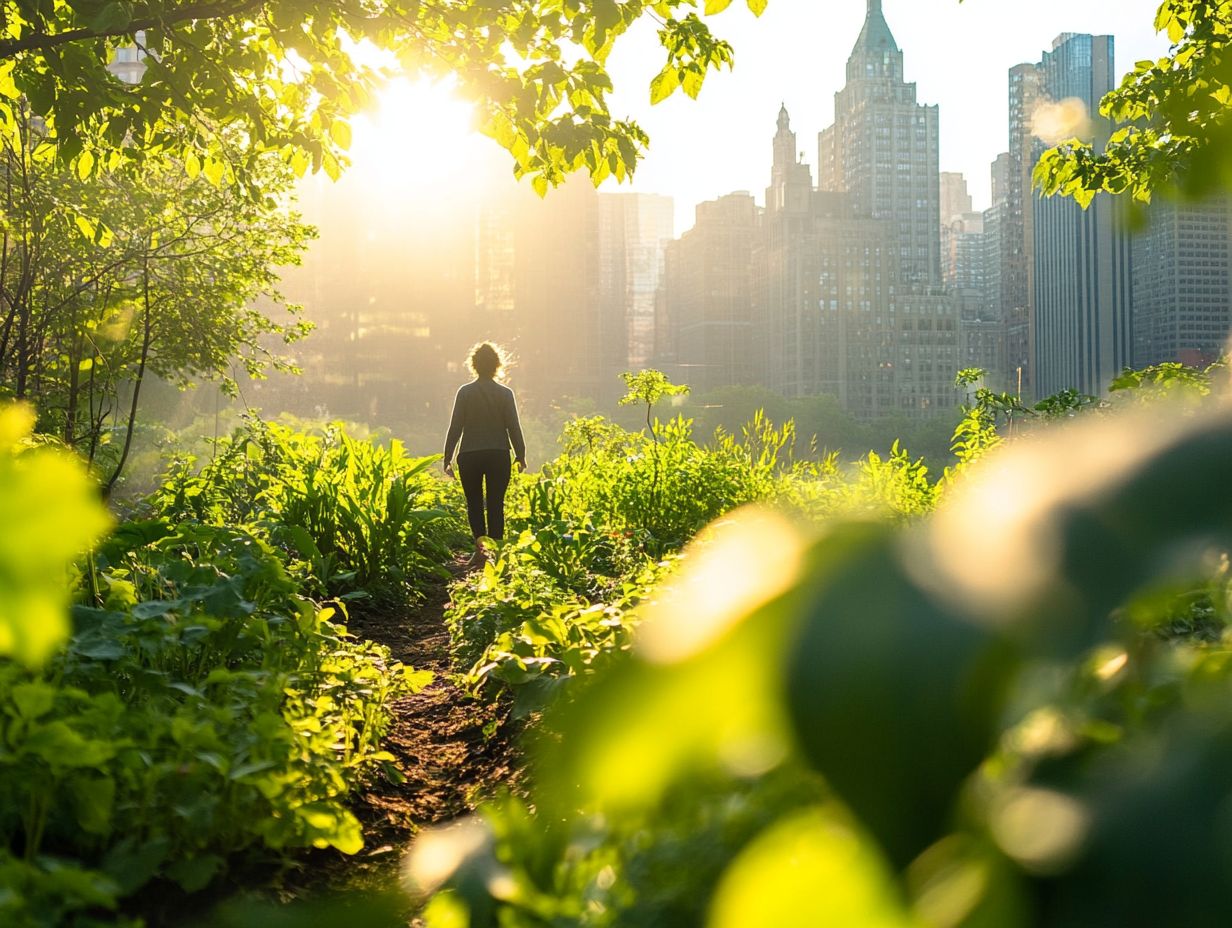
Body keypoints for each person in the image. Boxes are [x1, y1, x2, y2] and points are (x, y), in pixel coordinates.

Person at [443, 342, 526, 566]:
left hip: (469, 455)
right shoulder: (505, 393)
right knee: (496, 503)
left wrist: (447, 457)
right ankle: (498, 554)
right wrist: (521, 454)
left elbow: (455, 427)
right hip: (498, 454)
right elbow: (513, 426)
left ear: (474, 365)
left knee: (475, 503)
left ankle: (480, 553)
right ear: (498, 365)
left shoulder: (465, 392)